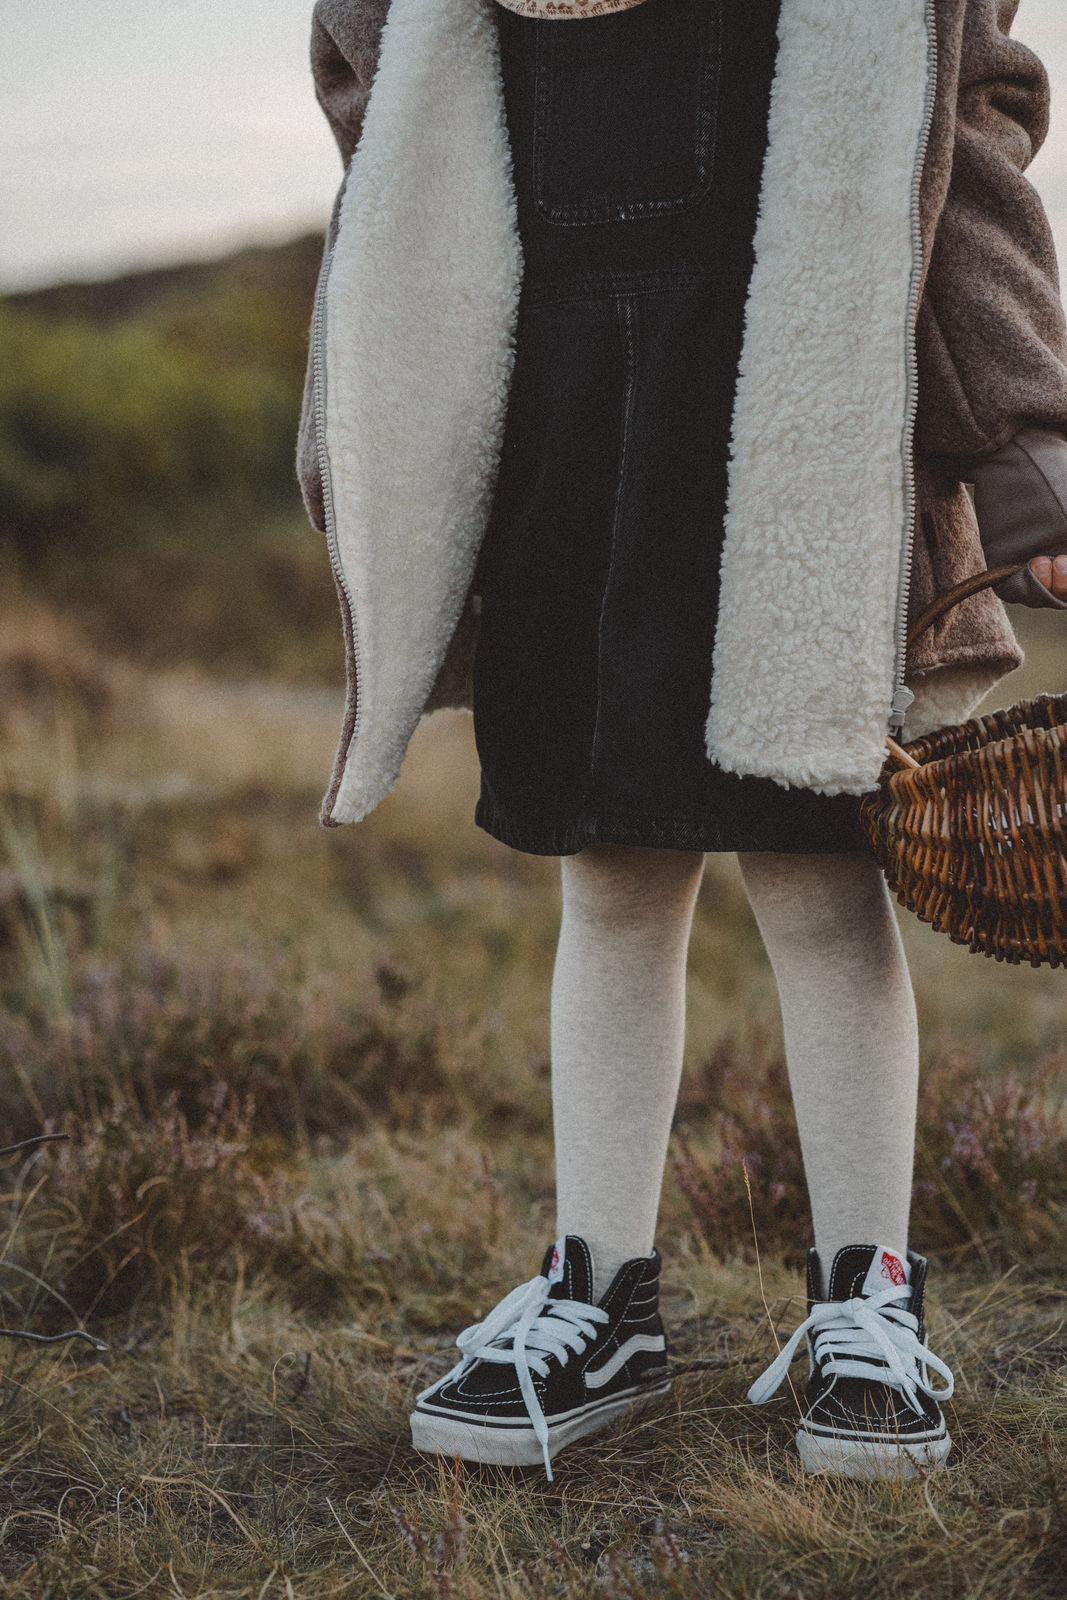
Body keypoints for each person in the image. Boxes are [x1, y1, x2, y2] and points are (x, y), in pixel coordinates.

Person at [297, 0, 1067, 1480]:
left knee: (818, 878)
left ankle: (870, 1304)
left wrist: (1027, 432)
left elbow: (959, 137)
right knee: (612, 870)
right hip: (562, 432)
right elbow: (383, 137)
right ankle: (606, 1299)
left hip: (798, 426)